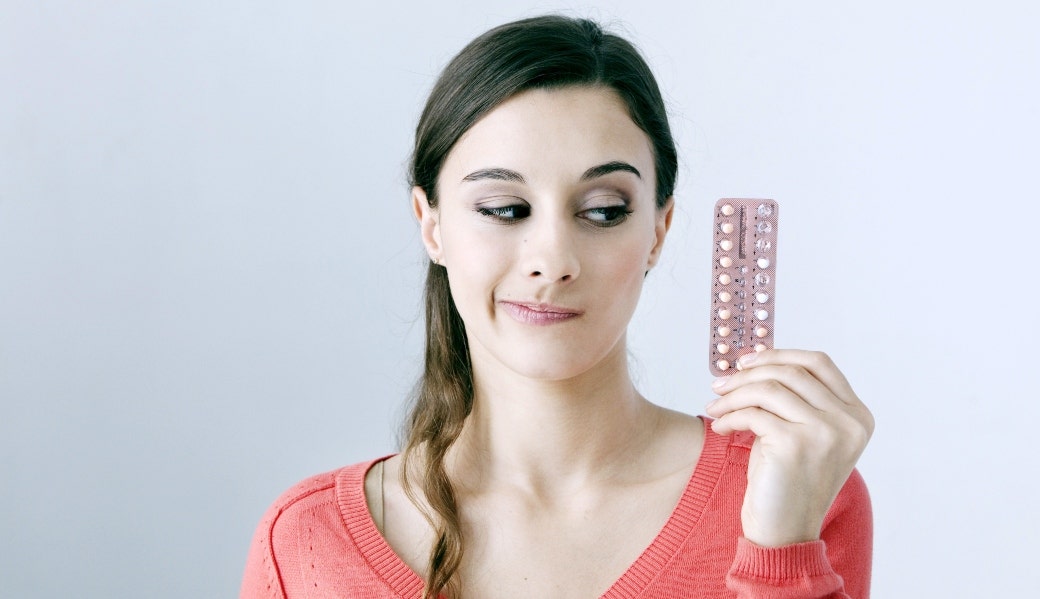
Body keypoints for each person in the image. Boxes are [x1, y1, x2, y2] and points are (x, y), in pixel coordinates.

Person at [240, 14, 874, 599]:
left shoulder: (798, 488)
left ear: (658, 229)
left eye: (602, 211)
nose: (553, 259)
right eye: (503, 210)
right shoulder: (308, 543)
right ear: (430, 226)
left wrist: (782, 549)